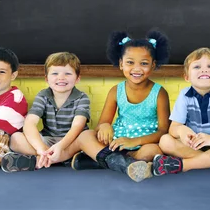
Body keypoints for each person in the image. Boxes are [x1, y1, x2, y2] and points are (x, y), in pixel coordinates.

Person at [70, 29, 171, 182]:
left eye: (144, 63)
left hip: (144, 143)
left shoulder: (160, 93)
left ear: (153, 65)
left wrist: (134, 142)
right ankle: (125, 164)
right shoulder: (116, 91)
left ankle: (105, 161)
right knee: (86, 135)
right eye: (130, 62)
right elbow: (101, 124)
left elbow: (164, 131)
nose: (136, 69)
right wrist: (104, 126)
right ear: (121, 64)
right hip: (116, 142)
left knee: (153, 151)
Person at [152, 47, 210, 175]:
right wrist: (181, 130)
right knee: (165, 141)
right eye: (197, 67)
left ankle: (185, 165)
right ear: (186, 77)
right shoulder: (184, 95)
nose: (204, 69)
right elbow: (173, 129)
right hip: (194, 145)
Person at [0, 52, 90, 172]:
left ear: (77, 78)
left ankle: (39, 160)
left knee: (89, 136)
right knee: (15, 138)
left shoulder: (82, 97)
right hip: (48, 140)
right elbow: (29, 123)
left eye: (67, 73)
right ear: (47, 78)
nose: (61, 78)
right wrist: (41, 148)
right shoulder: (43, 95)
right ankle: (54, 158)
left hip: (72, 141)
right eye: (55, 73)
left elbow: (77, 126)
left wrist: (61, 146)